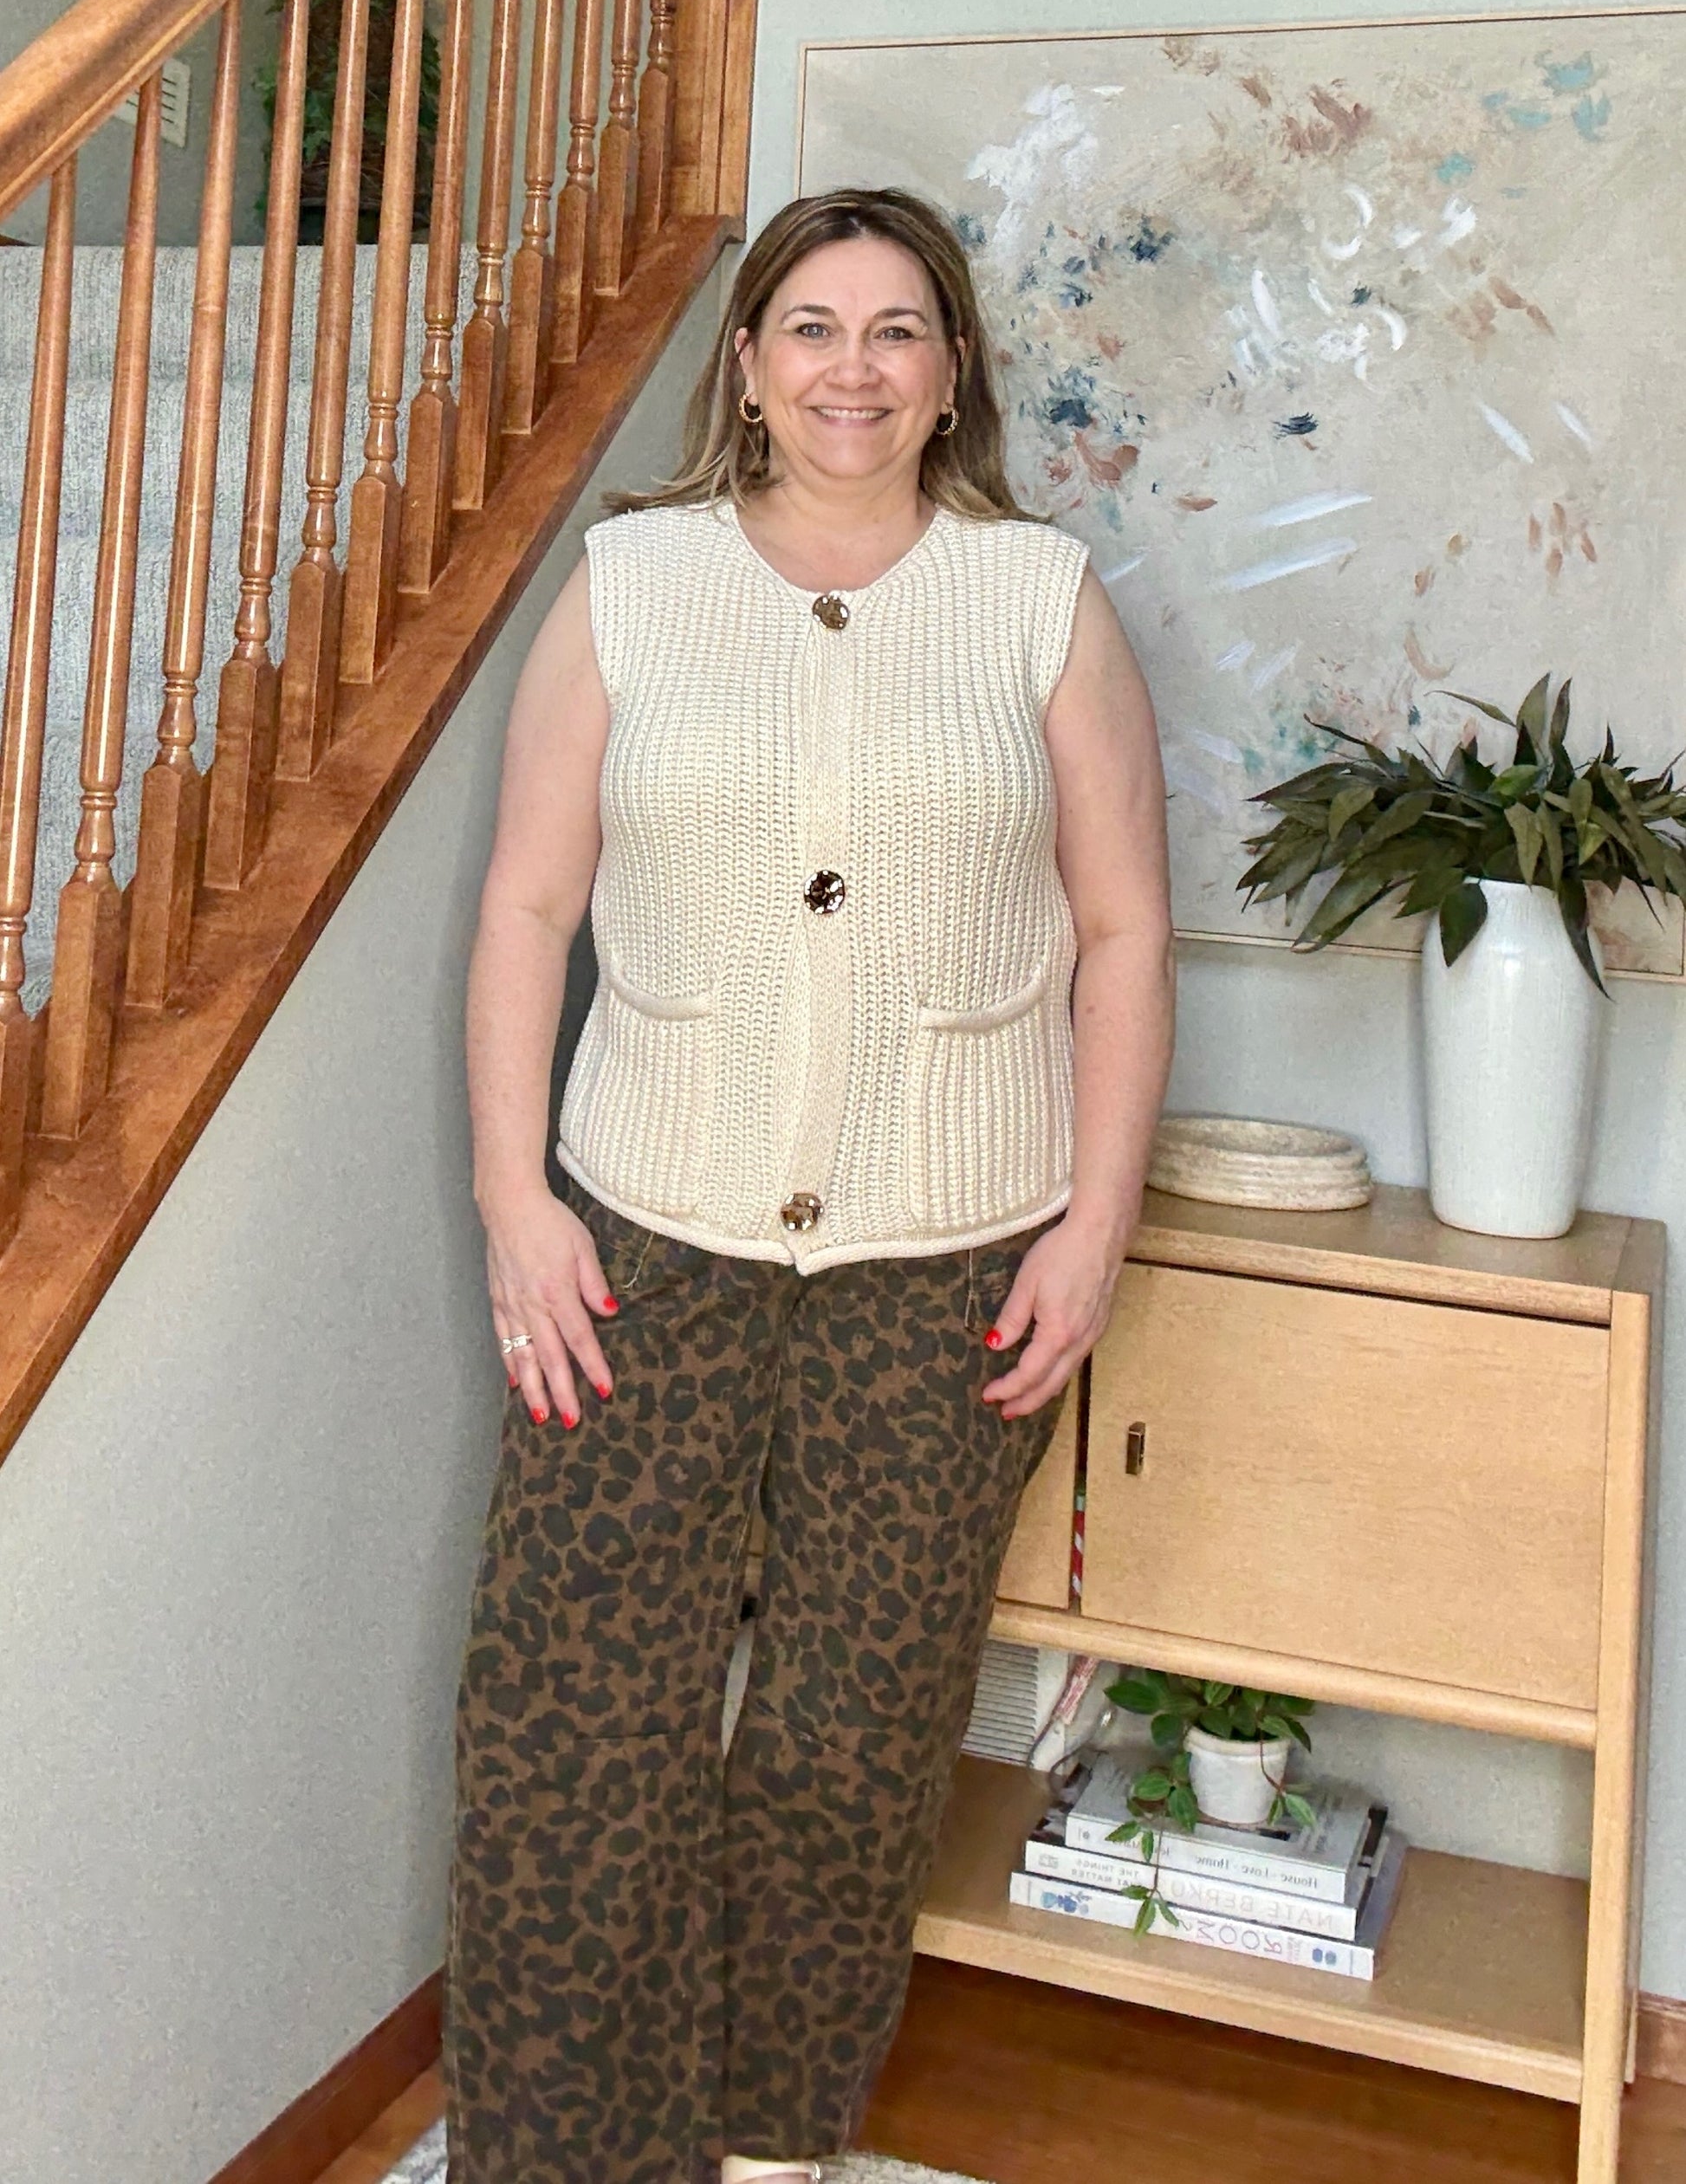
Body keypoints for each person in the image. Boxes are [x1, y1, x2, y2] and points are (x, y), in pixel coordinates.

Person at [448, 186, 1174, 2184]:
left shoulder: (1040, 598)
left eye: (897, 330)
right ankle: (560, 2151)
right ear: (751, 366)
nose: (853, 366)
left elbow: (1123, 935)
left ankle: (772, 2141)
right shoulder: (634, 581)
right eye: (811, 326)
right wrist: (517, 1197)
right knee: (575, 1722)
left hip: (946, 1264)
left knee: (851, 1736)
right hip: (638, 1240)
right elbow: (528, 900)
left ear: (951, 375)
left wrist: (1093, 1226)